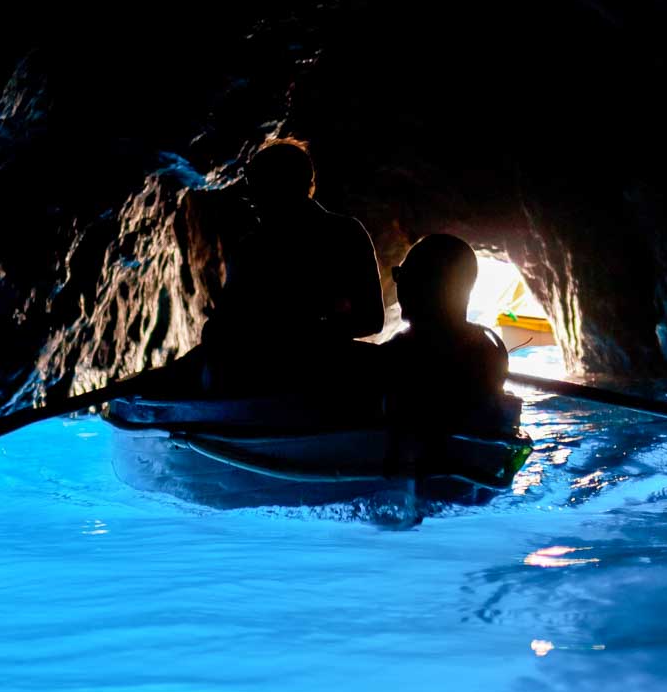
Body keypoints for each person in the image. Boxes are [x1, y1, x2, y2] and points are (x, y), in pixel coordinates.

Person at [201, 138, 385, 392]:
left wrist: (296, 334)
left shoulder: (253, 249)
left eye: (257, 188)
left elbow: (372, 319)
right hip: (322, 370)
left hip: (282, 373)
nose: (251, 200)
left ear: (284, 186)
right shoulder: (347, 233)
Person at [382, 234, 509, 472]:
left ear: (428, 285)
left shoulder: (399, 356)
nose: (400, 285)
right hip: (471, 481)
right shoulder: (491, 350)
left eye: (403, 276)